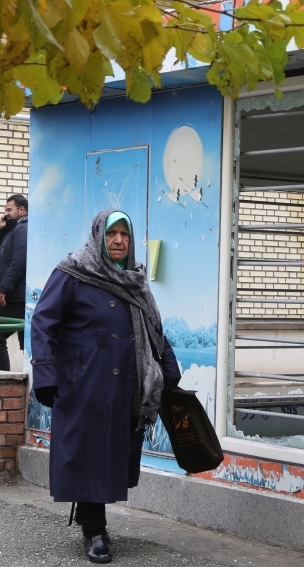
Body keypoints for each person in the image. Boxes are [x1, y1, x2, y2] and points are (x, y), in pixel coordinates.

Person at [30, 210, 180, 564]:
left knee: (110, 456)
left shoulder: (134, 280)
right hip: (84, 385)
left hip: (124, 386)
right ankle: (95, 530)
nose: (118, 241)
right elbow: (43, 322)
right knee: (89, 456)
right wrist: (46, 374)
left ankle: (89, 513)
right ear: (98, 236)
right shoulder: (73, 272)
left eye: (124, 235)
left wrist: (168, 371)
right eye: (111, 234)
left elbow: (153, 329)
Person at [0, 194, 28, 370]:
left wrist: (3, 289)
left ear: (22, 209)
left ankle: (5, 385)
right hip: (14, 296)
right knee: (27, 343)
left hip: (17, 298)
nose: (6, 214)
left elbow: (18, 262)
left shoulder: (23, 229)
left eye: (9, 209)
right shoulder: (12, 230)